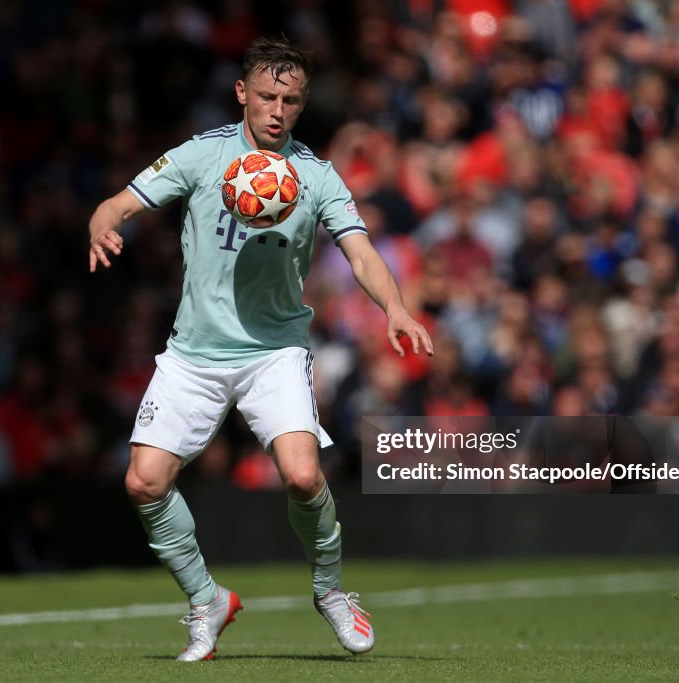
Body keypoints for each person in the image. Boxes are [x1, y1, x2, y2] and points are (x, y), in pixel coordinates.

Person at [87, 37, 434, 661]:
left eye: (292, 100)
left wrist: (396, 307)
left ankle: (330, 591)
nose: (278, 110)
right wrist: (103, 223)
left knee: (303, 476)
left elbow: (359, 252)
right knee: (142, 483)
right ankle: (206, 599)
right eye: (268, 96)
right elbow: (118, 202)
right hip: (194, 353)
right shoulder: (201, 156)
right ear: (243, 93)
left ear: (302, 106)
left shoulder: (317, 175)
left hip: (274, 350)